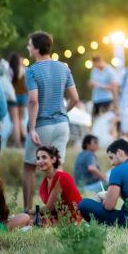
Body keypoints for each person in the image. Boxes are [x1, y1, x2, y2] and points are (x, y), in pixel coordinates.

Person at [23, 31, 82, 213]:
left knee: (29, 167)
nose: (28, 47)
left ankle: (27, 209)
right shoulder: (64, 68)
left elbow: (33, 100)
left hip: (42, 125)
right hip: (62, 125)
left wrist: (32, 127)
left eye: (29, 44)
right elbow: (75, 98)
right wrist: (63, 111)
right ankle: (59, 211)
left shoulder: (32, 71)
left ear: (36, 48)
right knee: (58, 168)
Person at [35, 145, 82, 223]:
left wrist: (28, 211)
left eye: (44, 157)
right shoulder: (45, 182)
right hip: (56, 215)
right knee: (27, 218)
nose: (40, 161)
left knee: (28, 219)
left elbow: (49, 208)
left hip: (71, 217)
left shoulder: (62, 177)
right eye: (38, 158)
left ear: (53, 159)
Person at [8, 53, 28, 147]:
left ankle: (17, 142)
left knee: (15, 120)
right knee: (20, 119)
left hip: (13, 96)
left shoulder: (10, 71)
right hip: (23, 96)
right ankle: (25, 138)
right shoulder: (24, 70)